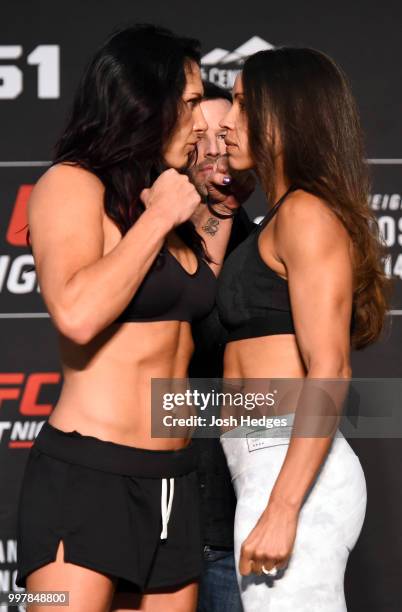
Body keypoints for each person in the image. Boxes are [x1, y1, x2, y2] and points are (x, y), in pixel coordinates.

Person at [15, 25, 235, 612]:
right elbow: (78, 315)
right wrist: (158, 217)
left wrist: (209, 191)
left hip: (174, 481)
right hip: (86, 477)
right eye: (190, 103)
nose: (198, 122)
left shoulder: (177, 201)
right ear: (147, 98)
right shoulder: (71, 185)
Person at [215, 47, 392, 611]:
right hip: (261, 466)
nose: (227, 122)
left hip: (290, 472)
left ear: (282, 113)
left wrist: (284, 507)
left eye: (243, 103)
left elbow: (331, 367)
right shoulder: (281, 213)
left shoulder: (306, 215)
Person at [188, 81, 254, 612]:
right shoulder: (146, 235)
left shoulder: (264, 245)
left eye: (222, 133)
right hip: (151, 514)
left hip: (231, 526)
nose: (213, 148)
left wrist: (226, 210)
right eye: (199, 135)